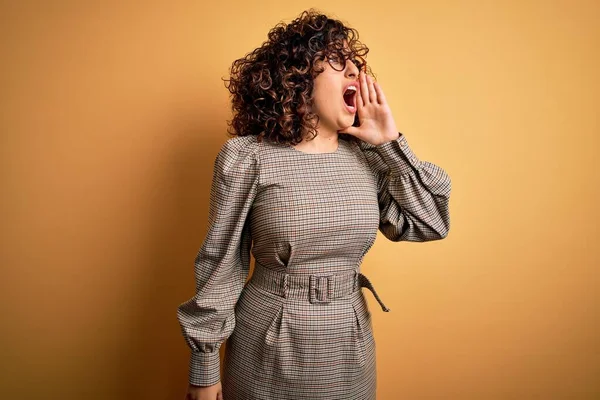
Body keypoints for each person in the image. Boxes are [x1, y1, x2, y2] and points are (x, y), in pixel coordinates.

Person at [177, 8, 451, 400]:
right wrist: (204, 370)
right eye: (340, 62)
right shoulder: (248, 157)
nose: (357, 72)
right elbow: (221, 263)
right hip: (267, 344)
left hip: (349, 344)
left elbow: (430, 224)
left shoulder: (371, 158)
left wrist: (390, 143)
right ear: (298, 77)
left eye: (359, 65)